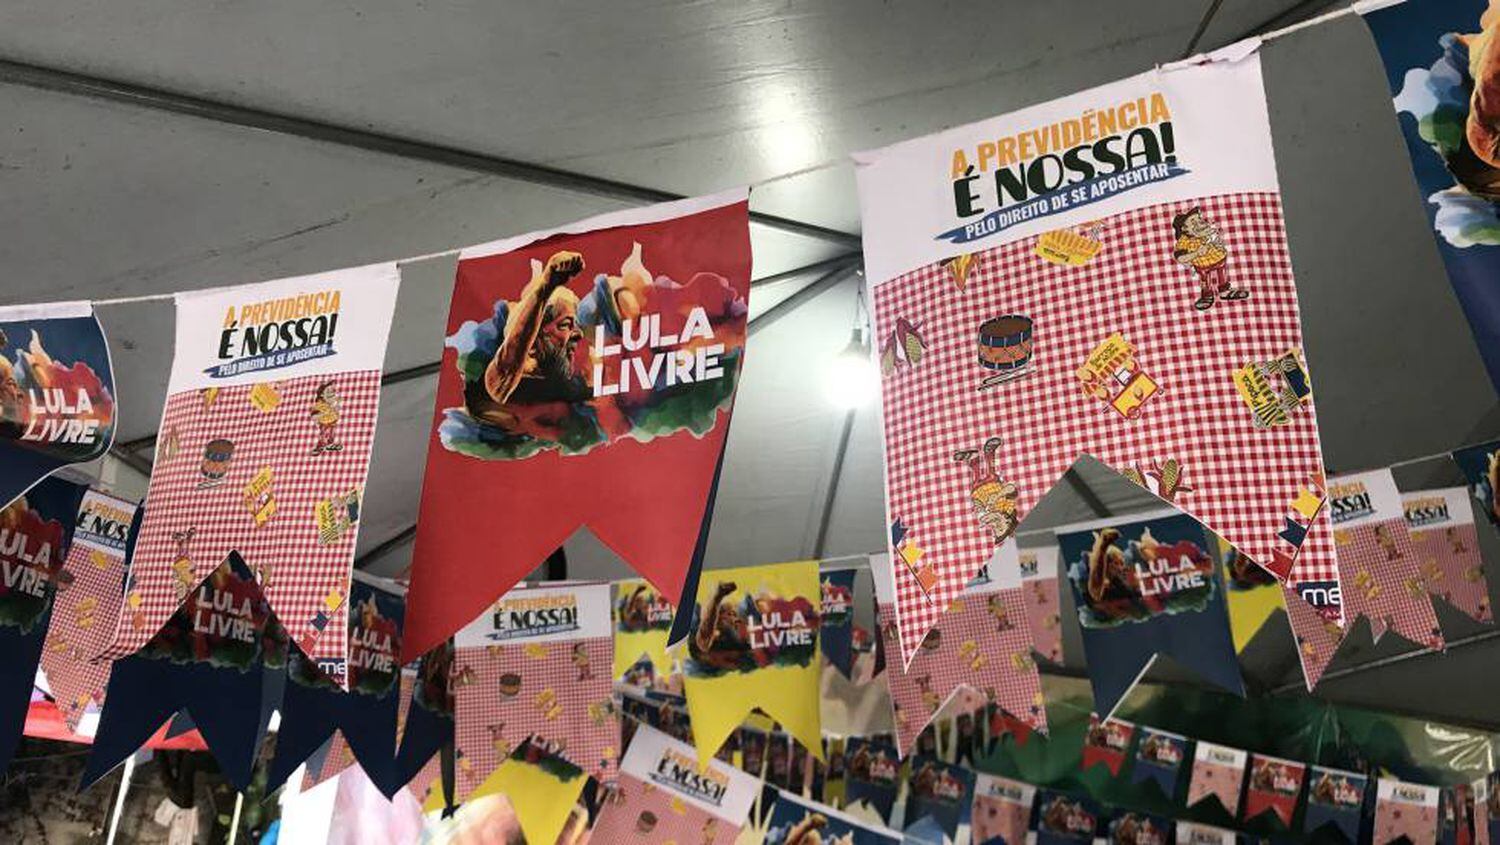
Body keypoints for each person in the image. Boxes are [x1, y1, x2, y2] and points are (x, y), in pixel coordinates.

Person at [1172, 207, 1248, 311]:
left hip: (1218, 258)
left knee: (1222, 274)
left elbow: (1217, 236)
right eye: (1193, 221)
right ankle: (1207, 296)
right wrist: (1196, 253)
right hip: (1202, 265)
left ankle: (1225, 291)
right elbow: (1180, 258)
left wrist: (1217, 239)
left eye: (1199, 218)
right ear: (1184, 228)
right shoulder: (1184, 241)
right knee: (1205, 280)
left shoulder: (1207, 230)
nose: (1199, 223)